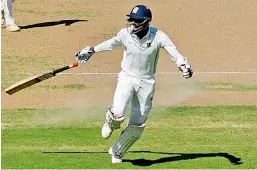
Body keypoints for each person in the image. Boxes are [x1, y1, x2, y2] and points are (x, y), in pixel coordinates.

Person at [75, 5, 193, 164]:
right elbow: (112, 43)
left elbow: (174, 53)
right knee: (117, 114)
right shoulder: (125, 34)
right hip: (127, 78)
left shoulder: (159, 36)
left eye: (137, 21)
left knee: (138, 125)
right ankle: (111, 122)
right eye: (132, 20)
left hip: (146, 82)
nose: (133, 24)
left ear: (146, 22)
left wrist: (183, 66)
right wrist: (92, 50)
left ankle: (117, 151)